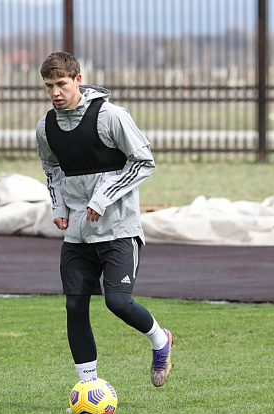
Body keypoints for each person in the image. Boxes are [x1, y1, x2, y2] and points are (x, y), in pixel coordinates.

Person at [35, 51, 173, 388]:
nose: (55, 92)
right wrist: (58, 207)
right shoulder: (46, 127)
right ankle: (89, 386)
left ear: (78, 80)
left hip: (119, 229)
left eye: (61, 84)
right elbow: (52, 169)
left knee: (118, 302)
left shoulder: (111, 116)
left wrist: (102, 197)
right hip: (78, 236)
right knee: (74, 307)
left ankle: (160, 340)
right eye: (49, 86)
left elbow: (143, 161)